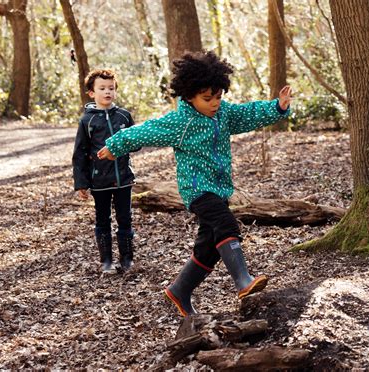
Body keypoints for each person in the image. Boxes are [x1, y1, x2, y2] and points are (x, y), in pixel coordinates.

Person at [97, 51, 292, 315]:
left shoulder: (223, 113)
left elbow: (249, 113)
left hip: (220, 188)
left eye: (218, 96)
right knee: (226, 224)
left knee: (209, 249)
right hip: (198, 189)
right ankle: (243, 281)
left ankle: (179, 291)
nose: (214, 103)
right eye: (207, 98)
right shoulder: (181, 121)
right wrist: (114, 146)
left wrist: (277, 107)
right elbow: (144, 130)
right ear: (189, 95)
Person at [72, 69, 137, 274]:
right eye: (102, 88)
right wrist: (81, 183)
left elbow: (136, 142)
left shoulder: (124, 116)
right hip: (99, 181)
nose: (107, 92)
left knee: (125, 219)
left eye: (111, 88)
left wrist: (128, 143)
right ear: (92, 93)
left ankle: (127, 260)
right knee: (103, 220)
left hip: (123, 179)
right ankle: (106, 261)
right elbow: (80, 153)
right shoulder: (87, 121)